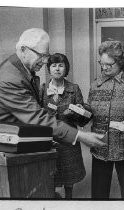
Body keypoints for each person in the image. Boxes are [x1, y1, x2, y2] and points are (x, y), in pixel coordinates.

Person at [0, 28, 106, 155]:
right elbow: (37, 117)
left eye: (46, 56)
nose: (45, 61)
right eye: (41, 55)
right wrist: (80, 136)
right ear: (24, 50)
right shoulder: (11, 78)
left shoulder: (23, 69)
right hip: (11, 147)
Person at [88, 40, 124, 199]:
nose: (104, 67)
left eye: (109, 64)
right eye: (102, 63)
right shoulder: (96, 84)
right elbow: (90, 110)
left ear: (120, 62)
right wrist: (81, 112)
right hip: (100, 144)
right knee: (99, 194)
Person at [41, 53, 88, 199]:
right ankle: (53, 197)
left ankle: (69, 198)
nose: (57, 69)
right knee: (50, 171)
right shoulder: (42, 88)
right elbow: (37, 112)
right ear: (49, 69)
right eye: (53, 65)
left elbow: (83, 117)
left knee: (69, 172)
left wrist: (74, 112)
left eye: (61, 65)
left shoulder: (74, 88)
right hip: (49, 137)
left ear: (66, 68)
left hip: (68, 137)